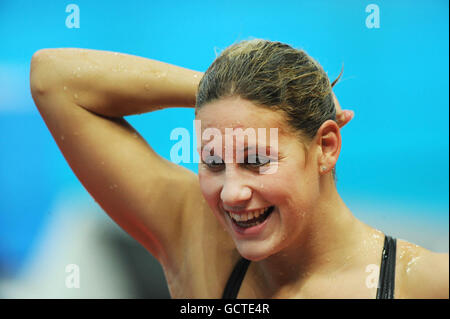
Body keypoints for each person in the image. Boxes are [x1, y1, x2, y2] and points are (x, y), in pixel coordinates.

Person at [29, 39, 448, 298]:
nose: (231, 194)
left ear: (325, 146)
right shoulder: (196, 241)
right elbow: (53, 78)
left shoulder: (424, 283)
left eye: (256, 161)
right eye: (213, 163)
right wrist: (217, 90)